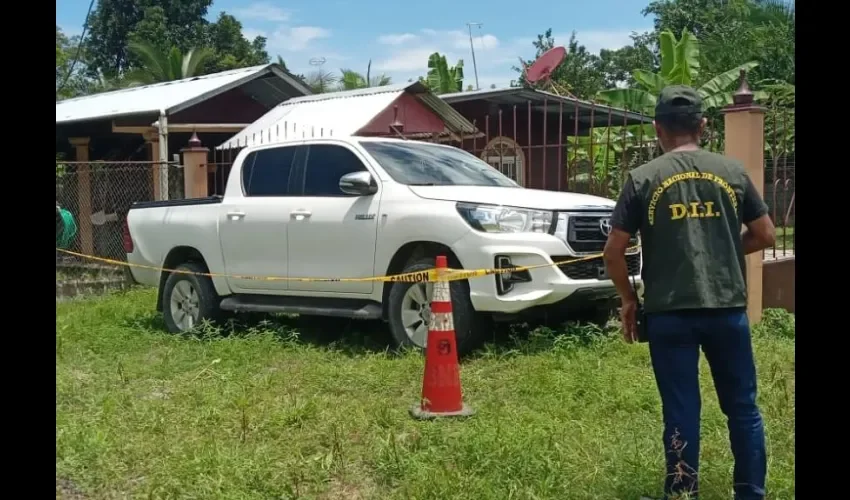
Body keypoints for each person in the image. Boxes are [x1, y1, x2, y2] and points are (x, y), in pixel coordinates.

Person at [602, 85, 776, 500]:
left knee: (681, 409)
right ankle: (751, 494)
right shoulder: (732, 172)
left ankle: (682, 492)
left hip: (669, 314)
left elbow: (613, 252)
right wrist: (724, 248)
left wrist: (628, 299)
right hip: (727, 308)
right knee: (743, 408)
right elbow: (766, 234)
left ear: (658, 129)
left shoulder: (642, 178)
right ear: (702, 126)